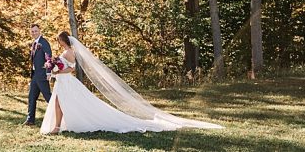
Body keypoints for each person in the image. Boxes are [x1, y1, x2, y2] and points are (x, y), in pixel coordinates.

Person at [40, 31, 223, 134]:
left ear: (63, 41)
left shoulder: (69, 53)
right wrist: (55, 71)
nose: (58, 42)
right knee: (59, 103)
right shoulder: (62, 53)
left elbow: (71, 69)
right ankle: (59, 125)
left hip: (66, 82)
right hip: (62, 83)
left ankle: (57, 127)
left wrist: (57, 70)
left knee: (60, 103)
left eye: (58, 40)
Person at [23, 24, 52, 126]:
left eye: (36, 31)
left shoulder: (44, 43)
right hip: (35, 75)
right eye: (32, 31)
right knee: (31, 97)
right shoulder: (34, 43)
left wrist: (48, 72)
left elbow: (48, 57)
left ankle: (59, 117)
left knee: (48, 97)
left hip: (42, 75)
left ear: (40, 31)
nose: (34, 33)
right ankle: (30, 120)